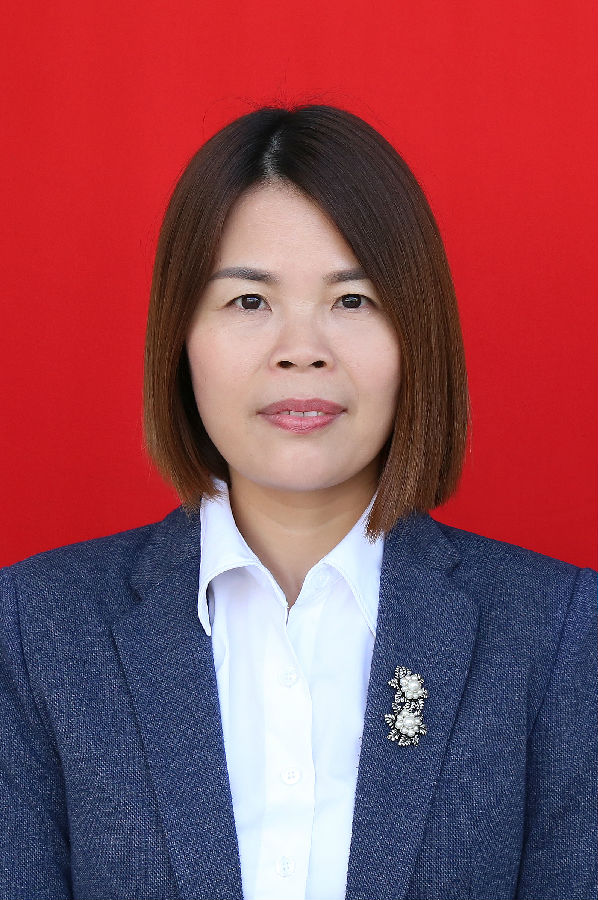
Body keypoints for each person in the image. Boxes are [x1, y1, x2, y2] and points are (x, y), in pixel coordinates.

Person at [0, 104, 595, 900]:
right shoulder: (37, 629)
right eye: (250, 302)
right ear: (180, 339)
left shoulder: (556, 634)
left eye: (353, 301)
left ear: (416, 336)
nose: (301, 351)